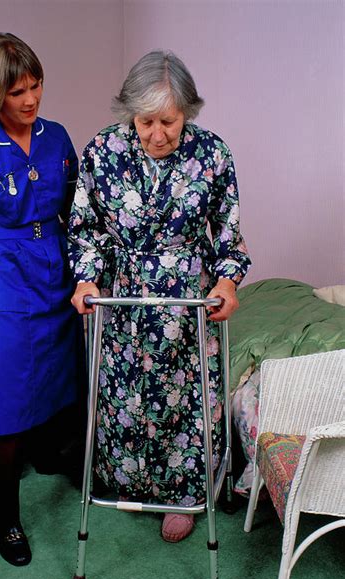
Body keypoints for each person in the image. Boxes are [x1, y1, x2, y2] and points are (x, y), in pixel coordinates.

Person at [68, 50, 251, 543]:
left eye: (168, 121)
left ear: (187, 113)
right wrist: (87, 279)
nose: (156, 134)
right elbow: (86, 230)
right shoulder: (102, 152)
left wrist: (226, 283)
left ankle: (185, 498)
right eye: (146, 121)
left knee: (188, 401)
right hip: (125, 303)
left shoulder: (213, 155)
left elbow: (229, 238)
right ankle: (130, 484)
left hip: (188, 304)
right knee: (126, 400)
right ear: (130, 112)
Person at [0, 33, 83, 566]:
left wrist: (89, 274)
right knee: (7, 400)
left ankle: (54, 457)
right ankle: (8, 516)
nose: (30, 100)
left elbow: (79, 211)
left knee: (64, 375)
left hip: (60, 268)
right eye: (17, 92)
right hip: (7, 278)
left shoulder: (57, 138)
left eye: (36, 86)